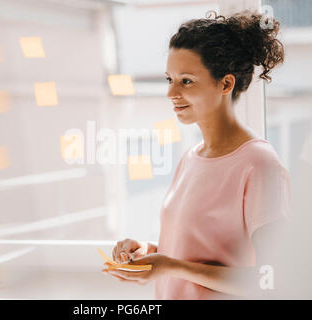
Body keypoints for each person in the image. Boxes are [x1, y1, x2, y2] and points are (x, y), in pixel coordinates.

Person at [102, 9, 290, 299]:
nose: (171, 93)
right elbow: (191, 253)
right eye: (169, 79)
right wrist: (149, 253)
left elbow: (272, 279)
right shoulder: (191, 158)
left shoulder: (259, 165)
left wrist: (169, 266)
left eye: (186, 81)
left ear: (225, 84)